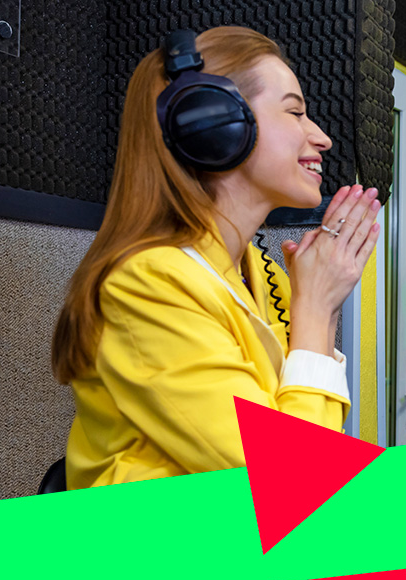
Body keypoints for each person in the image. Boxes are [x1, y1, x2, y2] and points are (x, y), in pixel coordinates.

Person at [51, 27, 380, 488]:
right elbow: (295, 479)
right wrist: (314, 307)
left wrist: (321, 306)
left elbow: (318, 452)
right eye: (295, 112)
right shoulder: (145, 283)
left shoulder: (259, 274)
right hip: (140, 533)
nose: (322, 138)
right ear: (215, 125)